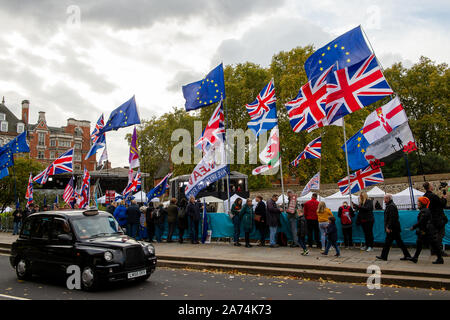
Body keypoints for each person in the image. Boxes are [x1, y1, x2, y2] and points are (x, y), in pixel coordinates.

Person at [407, 197, 444, 264]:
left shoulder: (424, 211)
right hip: (426, 231)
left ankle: (440, 258)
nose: (417, 203)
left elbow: (421, 221)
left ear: (422, 203)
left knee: (433, 244)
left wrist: (414, 227)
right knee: (420, 244)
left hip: (426, 231)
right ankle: (415, 257)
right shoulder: (424, 210)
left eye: (418, 202)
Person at [376, 194, 411, 261]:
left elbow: (392, 218)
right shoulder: (390, 205)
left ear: (388, 199)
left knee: (389, 242)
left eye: (385, 199)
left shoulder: (391, 206)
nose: (384, 200)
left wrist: (388, 227)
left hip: (393, 228)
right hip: (394, 228)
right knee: (397, 242)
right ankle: (407, 255)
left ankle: (384, 256)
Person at [423, 182, 448, 257]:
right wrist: (444, 198)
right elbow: (442, 204)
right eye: (432, 185)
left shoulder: (424, 196)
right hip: (438, 219)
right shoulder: (433, 196)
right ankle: (439, 251)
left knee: (433, 235)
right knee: (440, 235)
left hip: (430, 219)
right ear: (430, 187)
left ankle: (433, 251)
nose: (433, 186)